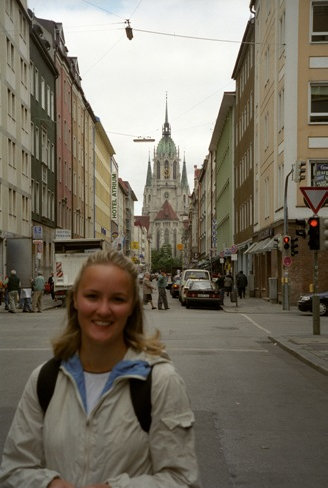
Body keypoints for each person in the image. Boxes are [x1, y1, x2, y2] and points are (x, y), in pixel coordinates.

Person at [0, 249, 200, 488]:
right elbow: (14, 470)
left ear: (132, 307)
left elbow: (183, 479)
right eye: (92, 296)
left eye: (117, 299)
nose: (103, 310)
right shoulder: (45, 379)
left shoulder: (160, 381)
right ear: (75, 300)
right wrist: (48, 484)